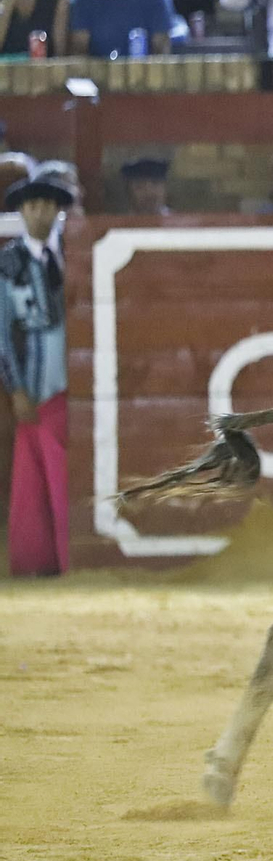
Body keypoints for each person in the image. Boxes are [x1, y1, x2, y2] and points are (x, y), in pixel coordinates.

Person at [1, 172, 72, 576]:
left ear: (58, 210)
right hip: (34, 382)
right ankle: (35, 563)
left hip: (72, 381)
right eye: (31, 206)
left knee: (62, 475)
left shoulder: (73, 252)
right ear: (21, 211)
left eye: (47, 205)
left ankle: (66, 560)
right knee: (33, 477)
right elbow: (0, 332)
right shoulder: (7, 262)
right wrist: (15, 389)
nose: (39, 213)